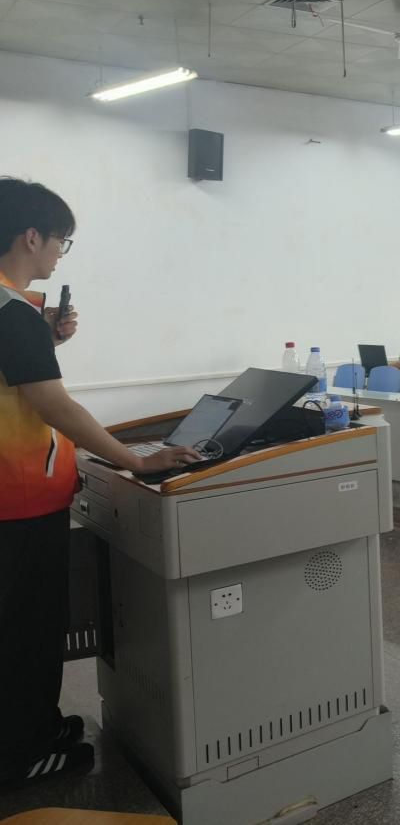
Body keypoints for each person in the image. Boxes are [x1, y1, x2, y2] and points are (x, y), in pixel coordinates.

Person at [0, 179, 199, 791]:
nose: (60, 254)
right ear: (31, 237)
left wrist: (45, 336)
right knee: (27, 630)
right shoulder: (13, 314)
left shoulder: (15, 311)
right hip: (17, 502)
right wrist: (134, 460)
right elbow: (53, 405)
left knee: (20, 625)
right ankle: (22, 754)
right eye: (61, 241)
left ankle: (35, 724)